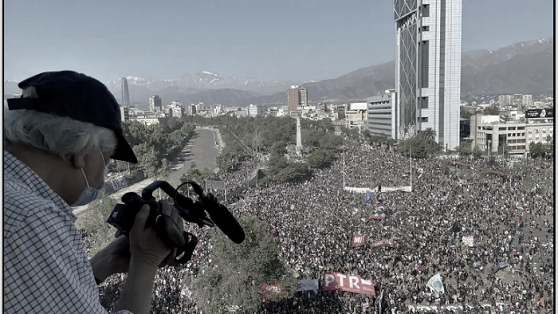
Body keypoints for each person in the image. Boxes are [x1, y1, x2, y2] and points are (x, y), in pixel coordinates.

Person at [3, 70, 183, 314]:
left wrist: (101, 264)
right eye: (107, 159)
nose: (106, 170)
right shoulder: (31, 219)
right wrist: (147, 261)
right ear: (82, 152)